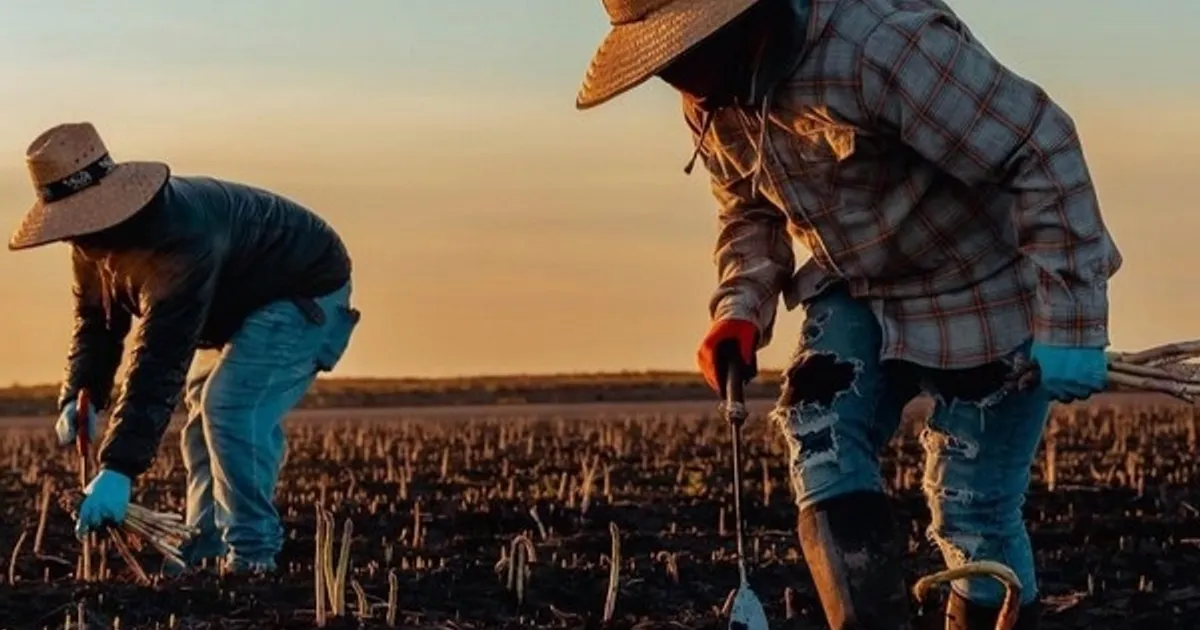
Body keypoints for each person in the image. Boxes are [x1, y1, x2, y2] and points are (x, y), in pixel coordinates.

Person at [575, 0, 1120, 628]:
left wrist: (1074, 323)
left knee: (971, 510)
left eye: (683, 52)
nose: (675, 77)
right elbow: (748, 209)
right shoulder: (711, 93)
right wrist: (741, 306)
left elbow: (1040, 145)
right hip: (857, 284)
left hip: (984, 281)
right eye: (663, 60)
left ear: (742, 20)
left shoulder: (882, 48)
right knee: (821, 439)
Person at [8, 122, 361, 575]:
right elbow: (97, 324)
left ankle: (253, 557)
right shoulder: (92, 245)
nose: (75, 240)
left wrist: (118, 469)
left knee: (230, 409)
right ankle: (203, 551)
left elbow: (160, 354)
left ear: (110, 205)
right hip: (236, 307)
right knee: (200, 431)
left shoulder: (180, 236)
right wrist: (83, 395)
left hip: (303, 291)